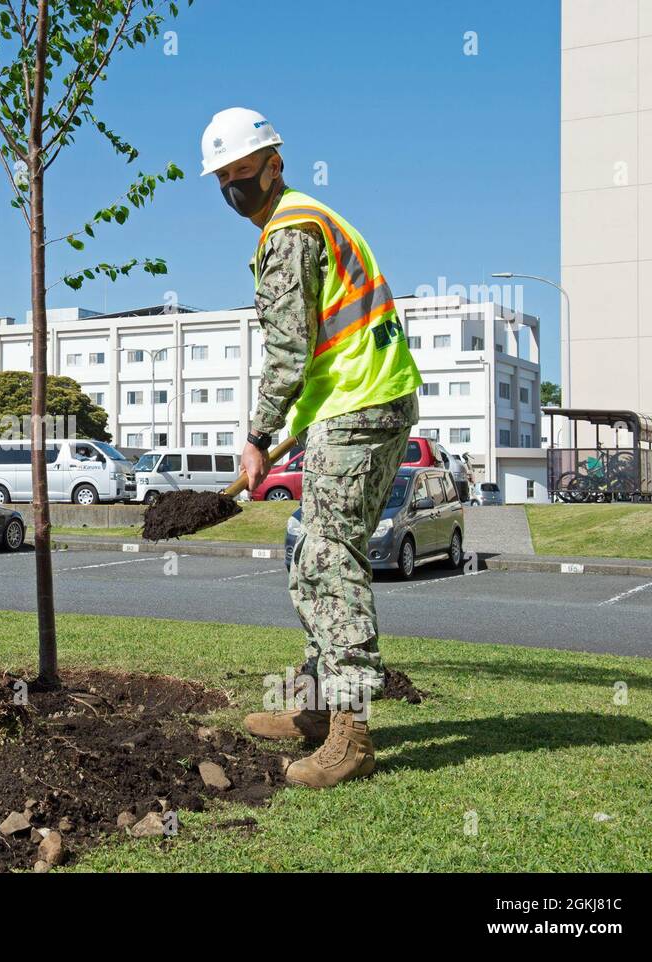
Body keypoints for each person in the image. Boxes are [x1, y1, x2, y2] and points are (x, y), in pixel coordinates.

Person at [199, 108, 422, 788]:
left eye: (244, 172)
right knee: (308, 545)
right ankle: (320, 708)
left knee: (330, 558)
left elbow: (288, 350)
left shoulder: (291, 232)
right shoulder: (303, 218)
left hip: (360, 402)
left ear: (276, 163)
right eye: (225, 178)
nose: (237, 187)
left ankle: (351, 735)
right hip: (354, 400)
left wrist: (256, 437)